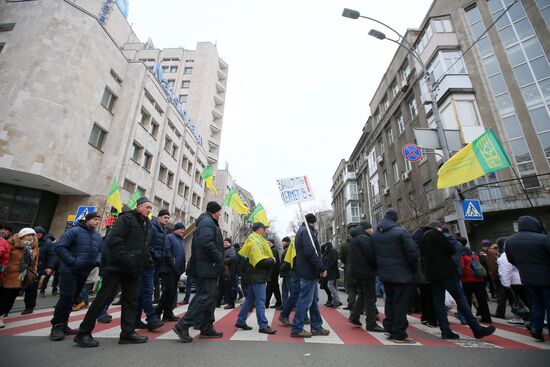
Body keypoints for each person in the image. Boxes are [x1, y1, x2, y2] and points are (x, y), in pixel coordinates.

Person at [75, 197, 154, 347]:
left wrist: (146, 260)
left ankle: (127, 333)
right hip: (117, 268)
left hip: (133, 269)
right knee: (102, 299)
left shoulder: (146, 223)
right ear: (138, 207)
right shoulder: (125, 219)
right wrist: (128, 259)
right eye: (147, 207)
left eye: (151, 208)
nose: (149, 211)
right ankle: (83, 333)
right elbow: (115, 241)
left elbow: (144, 245)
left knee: (131, 301)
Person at [420, 221, 495, 340]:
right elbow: (451, 250)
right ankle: (476, 328)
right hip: (447, 272)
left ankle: (445, 330)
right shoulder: (436, 234)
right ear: (437, 228)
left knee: (438, 301)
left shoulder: (422, 237)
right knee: (461, 299)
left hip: (432, 274)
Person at [172, 201, 224, 343]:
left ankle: (206, 327)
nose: (220, 214)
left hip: (208, 266)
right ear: (214, 211)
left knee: (210, 297)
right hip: (207, 266)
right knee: (205, 296)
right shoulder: (207, 222)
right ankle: (183, 325)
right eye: (219, 211)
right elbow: (206, 242)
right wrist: (219, 258)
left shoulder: (208, 221)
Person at [49, 212, 103, 341]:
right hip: (69, 270)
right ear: (87, 220)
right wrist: (73, 261)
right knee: (66, 297)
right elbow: (60, 247)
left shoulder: (97, 235)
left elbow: (101, 251)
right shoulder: (74, 231)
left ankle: (64, 324)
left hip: (84, 271)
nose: (97, 222)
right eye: (95, 219)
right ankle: (56, 326)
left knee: (73, 298)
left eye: (98, 220)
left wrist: (97, 261)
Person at [371, 208, 418, 343]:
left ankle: (390, 327)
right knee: (401, 304)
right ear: (395, 219)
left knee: (390, 302)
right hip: (402, 274)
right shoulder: (401, 232)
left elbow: (373, 255)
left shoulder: (375, 235)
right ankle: (399, 333)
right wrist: (413, 270)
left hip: (385, 275)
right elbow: (412, 254)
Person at [505, 216, 550, 342]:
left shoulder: (510, 240)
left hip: (527, 278)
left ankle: (536, 327)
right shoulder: (543, 239)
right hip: (547, 278)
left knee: (536, 303)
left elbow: (511, 259)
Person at [291, 213, 330, 338]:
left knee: (313, 301)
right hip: (308, 271)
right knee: (305, 300)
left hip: (307, 270)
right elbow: (310, 252)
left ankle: (316, 326)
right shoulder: (307, 232)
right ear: (313, 222)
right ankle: (297, 328)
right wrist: (321, 267)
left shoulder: (303, 231)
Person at [235, 222, 277, 334]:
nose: (266, 231)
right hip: (257, 274)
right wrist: (272, 260)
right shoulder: (254, 241)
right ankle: (263, 325)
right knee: (260, 301)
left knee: (250, 299)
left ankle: (240, 320)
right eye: (264, 229)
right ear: (258, 229)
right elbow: (259, 261)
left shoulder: (256, 240)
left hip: (255, 274)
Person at [136, 209, 169, 331]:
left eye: (168, 218)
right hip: (148, 263)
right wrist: (152, 257)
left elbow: (163, 247)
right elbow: (147, 245)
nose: (167, 220)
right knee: (148, 291)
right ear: (159, 217)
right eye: (165, 217)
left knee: (142, 292)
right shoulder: (152, 227)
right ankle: (151, 318)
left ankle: (136, 319)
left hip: (156, 264)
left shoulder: (163, 230)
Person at [349, 221, 385, 332]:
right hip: (366, 271)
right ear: (366, 229)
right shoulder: (364, 238)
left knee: (363, 295)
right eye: (370, 228)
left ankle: (354, 317)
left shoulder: (356, 238)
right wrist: (376, 266)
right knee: (370, 298)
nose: (372, 230)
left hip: (359, 272)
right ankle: (371, 323)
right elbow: (370, 255)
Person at [0, 228, 39, 325]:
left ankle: (5, 313)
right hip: (9, 274)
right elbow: (4, 259)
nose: (31, 237)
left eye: (32, 235)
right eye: (28, 235)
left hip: (23, 276)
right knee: (4, 296)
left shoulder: (34, 247)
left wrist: (34, 271)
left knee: (13, 297)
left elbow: (34, 262)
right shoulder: (11, 244)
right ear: (22, 236)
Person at [461, 246, 492, 324]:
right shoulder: (475, 255)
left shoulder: (462, 256)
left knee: (467, 300)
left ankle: (468, 318)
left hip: (467, 280)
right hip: (479, 280)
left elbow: (461, 268)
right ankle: (487, 318)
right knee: (482, 299)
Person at [339, 234, 358, 311]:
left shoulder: (344, 245)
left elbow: (341, 257)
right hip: (359, 268)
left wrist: (346, 263)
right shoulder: (357, 243)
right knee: (362, 290)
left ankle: (351, 305)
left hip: (349, 268)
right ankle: (363, 307)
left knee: (351, 288)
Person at [218, 238, 237, 309]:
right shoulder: (223, 250)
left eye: (226, 242)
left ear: (230, 243)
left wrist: (223, 261)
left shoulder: (231, 250)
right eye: (224, 242)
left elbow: (232, 258)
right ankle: (217, 303)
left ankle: (231, 304)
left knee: (229, 289)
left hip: (228, 272)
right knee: (220, 289)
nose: (225, 243)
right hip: (223, 272)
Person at [322, 241, 341, 308]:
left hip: (332, 272)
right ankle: (335, 301)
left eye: (326, 246)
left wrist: (327, 268)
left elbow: (333, 261)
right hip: (332, 272)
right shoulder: (329, 251)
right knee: (333, 286)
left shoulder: (332, 251)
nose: (325, 248)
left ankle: (337, 300)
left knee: (330, 285)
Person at [265, 238, 282, 309]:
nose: (267, 244)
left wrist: (269, 274)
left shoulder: (273, 250)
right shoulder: (273, 250)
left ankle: (266, 303)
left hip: (273, 273)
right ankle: (278, 303)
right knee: (274, 288)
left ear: (272, 243)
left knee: (269, 289)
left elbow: (273, 263)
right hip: (273, 273)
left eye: (269, 243)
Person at [279, 237, 292, 309]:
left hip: (288, 272)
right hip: (286, 273)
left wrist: (280, 268)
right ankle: (285, 304)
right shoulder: (287, 249)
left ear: (286, 242)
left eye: (283, 241)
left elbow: (287, 262)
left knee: (291, 289)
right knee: (284, 289)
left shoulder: (288, 249)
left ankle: (292, 305)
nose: (282, 243)